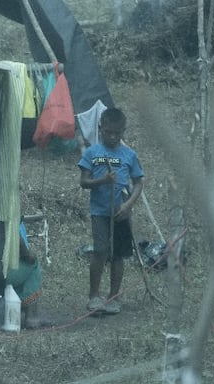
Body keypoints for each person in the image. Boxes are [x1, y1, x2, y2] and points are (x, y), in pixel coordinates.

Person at [78, 107, 145, 315]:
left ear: (123, 131)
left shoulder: (129, 155)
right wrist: (103, 181)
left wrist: (128, 205)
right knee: (100, 252)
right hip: (99, 211)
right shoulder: (92, 153)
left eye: (117, 133)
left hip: (121, 213)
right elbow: (84, 182)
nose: (113, 136)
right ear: (101, 129)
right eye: (108, 132)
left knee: (117, 256)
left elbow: (138, 183)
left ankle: (113, 298)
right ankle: (94, 297)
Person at [6, 221, 49, 329]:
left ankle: (14, 310)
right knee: (32, 263)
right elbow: (15, 237)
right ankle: (32, 316)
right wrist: (28, 255)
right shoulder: (6, 209)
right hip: (1, 271)